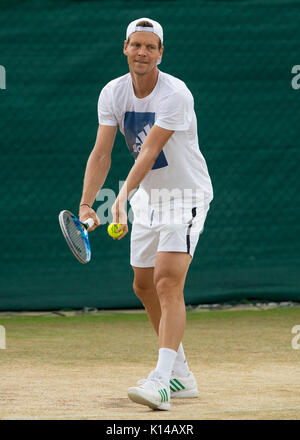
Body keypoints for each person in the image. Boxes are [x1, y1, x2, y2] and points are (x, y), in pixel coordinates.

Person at [79, 17, 213, 411]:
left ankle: (161, 379)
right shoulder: (113, 93)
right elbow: (101, 153)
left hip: (184, 196)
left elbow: (150, 151)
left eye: (150, 47)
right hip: (148, 201)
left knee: (167, 281)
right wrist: (88, 204)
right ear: (125, 48)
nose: (142, 52)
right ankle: (182, 375)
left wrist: (120, 197)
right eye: (136, 45)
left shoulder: (176, 94)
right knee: (143, 285)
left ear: (160, 53)